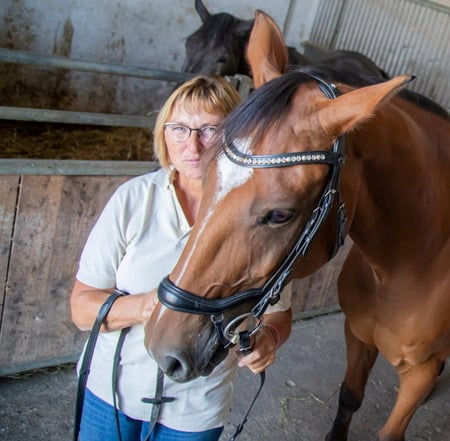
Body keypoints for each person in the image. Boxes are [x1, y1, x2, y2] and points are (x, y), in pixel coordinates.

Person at [70, 75, 293, 441]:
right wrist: (150, 306)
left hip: (196, 407)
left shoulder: (258, 215)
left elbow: (279, 314)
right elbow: (81, 309)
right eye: (179, 129)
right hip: (111, 389)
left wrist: (268, 337)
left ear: (236, 137)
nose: (192, 145)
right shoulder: (133, 199)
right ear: (164, 134)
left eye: (209, 129)